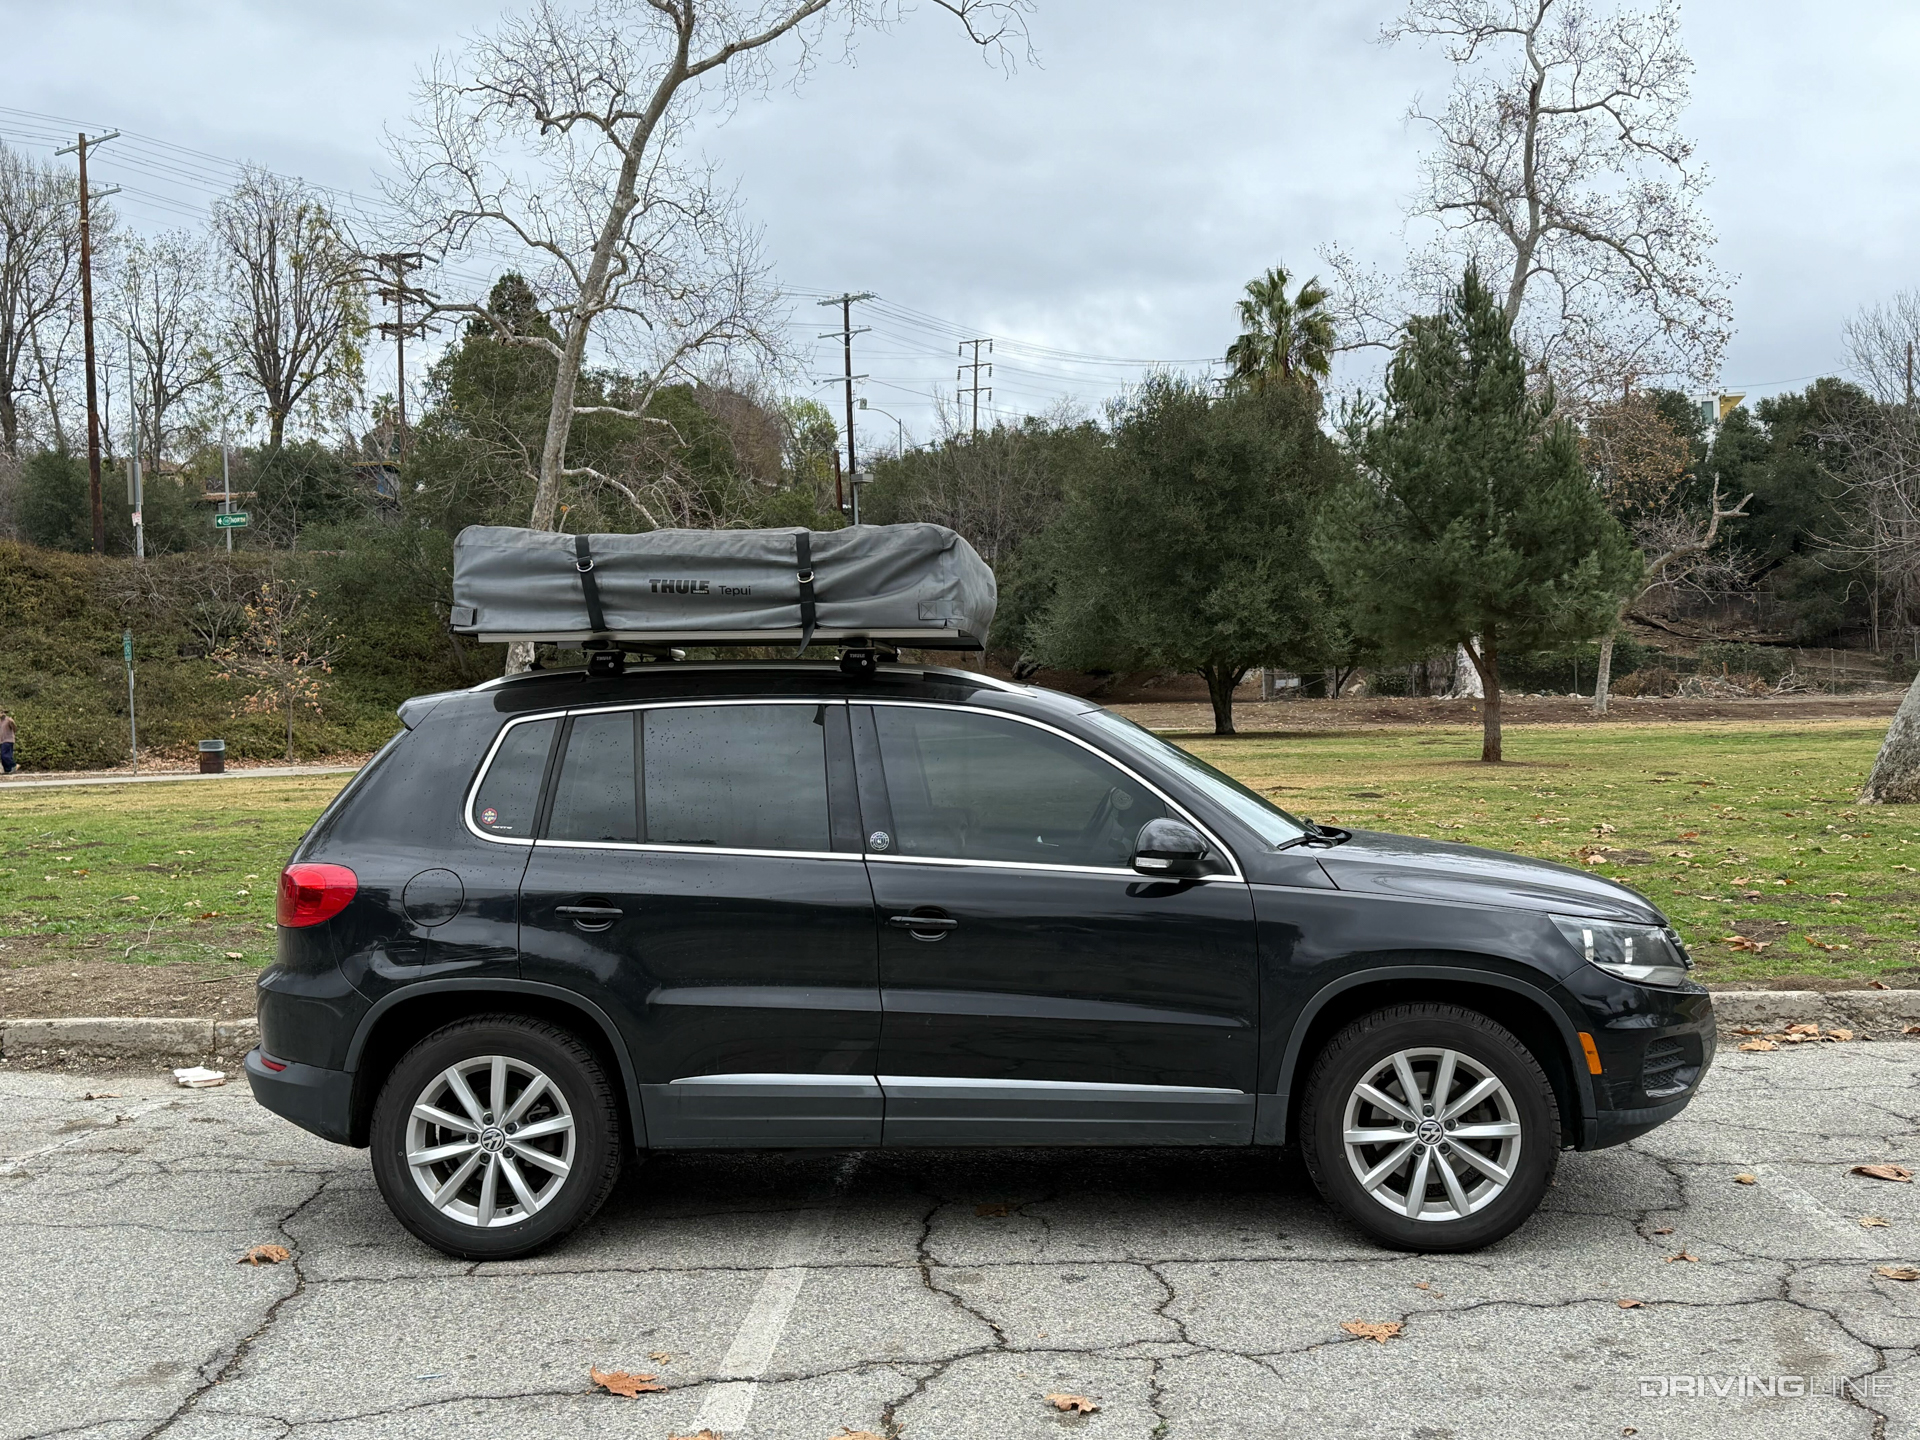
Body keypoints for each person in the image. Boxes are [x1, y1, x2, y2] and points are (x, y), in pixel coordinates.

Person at [0, 709, 14, 774]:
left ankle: (14, 765)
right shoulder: (0, 721)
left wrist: (12, 723)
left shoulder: (8, 720)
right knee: (4, 757)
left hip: (8, 740)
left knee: (4, 755)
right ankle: (8, 770)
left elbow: (15, 729)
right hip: (2, 741)